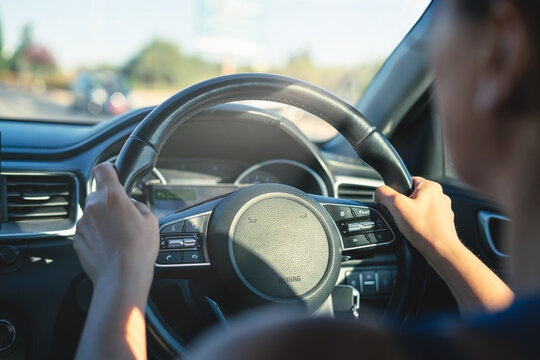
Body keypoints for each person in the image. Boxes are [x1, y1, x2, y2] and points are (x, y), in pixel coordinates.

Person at [73, 0, 540, 358]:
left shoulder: (289, 349)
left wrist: (121, 271)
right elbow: (507, 325)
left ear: (500, 54)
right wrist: (445, 246)